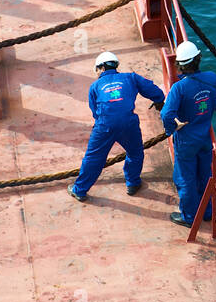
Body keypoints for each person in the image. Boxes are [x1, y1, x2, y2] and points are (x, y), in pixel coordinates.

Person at [69, 51, 165, 203]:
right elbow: (155, 92)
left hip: (104, 126)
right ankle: (133, 184)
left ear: (100, 68)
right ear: (116, 66)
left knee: (94, 158)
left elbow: (95, 112)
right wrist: (159, 100)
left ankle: (79, 190)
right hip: (128, 123)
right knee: (135, 153)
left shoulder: (95, 86)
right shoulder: (130, 77)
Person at [161, 41, 216, 227]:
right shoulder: (212, 78)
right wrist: (212, 108)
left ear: (180, 65)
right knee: (204, 175)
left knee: (185, 178)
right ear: (198, 59)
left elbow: (166, 114)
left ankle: (189, 217)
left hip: (186, 140)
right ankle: (208, 212)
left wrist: (171, 129)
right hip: (204, 139)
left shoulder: (179, 88)